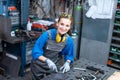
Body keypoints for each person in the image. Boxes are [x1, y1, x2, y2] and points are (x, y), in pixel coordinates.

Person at [31, 13, 75, 80]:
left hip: (53, 65)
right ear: (57, 24)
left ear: (69, 27)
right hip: (38, 65)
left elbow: (69, 54)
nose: (63, 28)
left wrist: (67, 62)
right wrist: (47, 60)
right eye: (62, 24)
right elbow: (35, 52)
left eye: (67, 25)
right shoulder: (46, 35)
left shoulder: (68, 40)